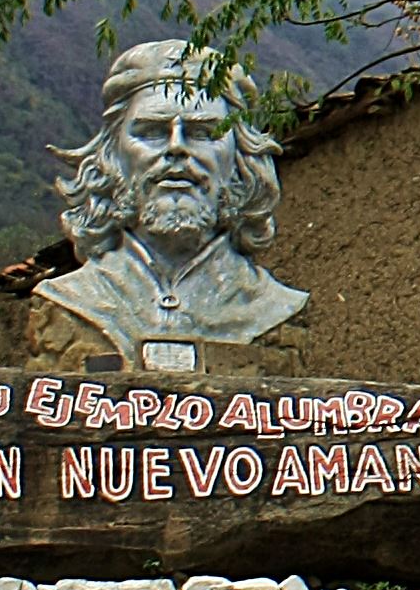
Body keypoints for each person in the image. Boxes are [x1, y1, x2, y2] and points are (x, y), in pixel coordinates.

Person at [33, 41, 308, 369]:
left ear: (239, 161)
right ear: (112, 156)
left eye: (202, 133)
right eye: (152, 132)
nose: (176, 147)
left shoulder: (273, 309)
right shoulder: (72, 301)